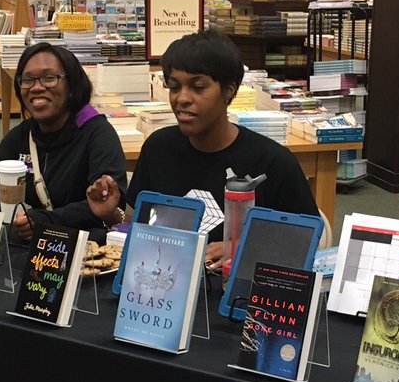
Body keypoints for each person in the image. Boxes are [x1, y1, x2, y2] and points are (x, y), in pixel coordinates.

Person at [85, 30, 318, 267]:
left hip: (238, 293)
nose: (182, 98)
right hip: (165, 286)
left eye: (198, 87)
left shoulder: (273, 163)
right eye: (175, 87)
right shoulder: (158, 148)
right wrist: (111, 214)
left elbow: (307, 242)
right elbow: (141, 226)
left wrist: (244, 250)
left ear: (230, 90)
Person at [0, 42, 127, 240]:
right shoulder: (17, 139)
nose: (37, 87)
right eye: (28, 80)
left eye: (49, 78)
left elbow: (106, 205)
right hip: (18, 244)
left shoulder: (97, 134)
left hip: (76, 247)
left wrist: (45, 221)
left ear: (72, 86)